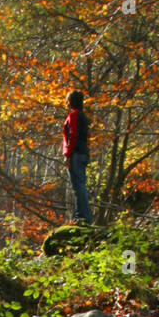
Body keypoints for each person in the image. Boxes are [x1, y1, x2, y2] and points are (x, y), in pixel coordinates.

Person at [61, 90, 92, 224]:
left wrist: (68, 154)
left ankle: (82, 217)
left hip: (76, 154)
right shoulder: (83, 116)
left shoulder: (74, 116)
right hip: (83, 153)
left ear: (70, 102)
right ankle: (79, 215)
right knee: (80, 185)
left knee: (78, 186)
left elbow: (72, 136)